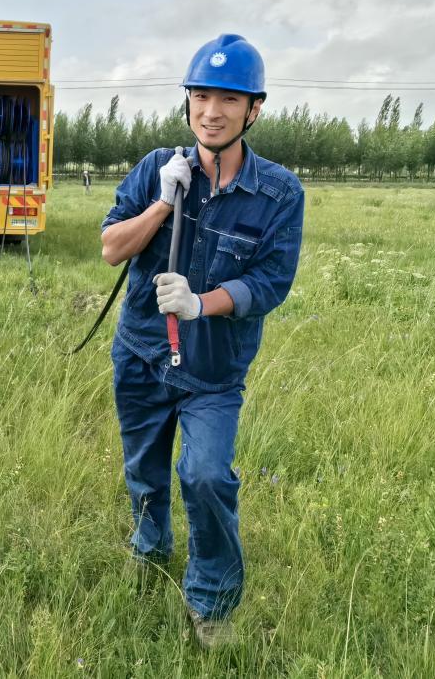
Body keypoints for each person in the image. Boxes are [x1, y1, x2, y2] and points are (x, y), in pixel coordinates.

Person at [99, 33, 304, 649]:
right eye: (201, 95)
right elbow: (111, 248)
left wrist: (201, 303)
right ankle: (150, 546)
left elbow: (270, 282)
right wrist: (164, 203)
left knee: (208, 475)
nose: (212, 110)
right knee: (144, 468)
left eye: (229, 99)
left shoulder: (279, 194)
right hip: (142, 353)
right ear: (187, 100)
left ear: (254, 109)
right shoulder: (155, 169)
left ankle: (211, 601)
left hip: (213, 370)